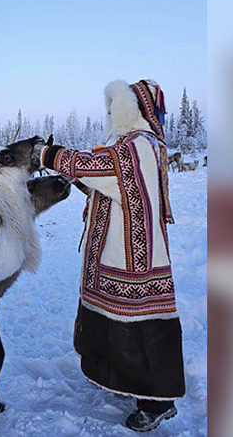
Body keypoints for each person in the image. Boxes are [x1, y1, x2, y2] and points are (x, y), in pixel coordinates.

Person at [39, 80, 184, 432]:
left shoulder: (136, 146)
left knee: (139, 324)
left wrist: (47, 155)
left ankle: (158, 402)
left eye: (113, 105)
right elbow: (102, 179)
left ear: (130, 110)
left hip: (130, 256)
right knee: (123, 321)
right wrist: (78, 176)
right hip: (123, 251)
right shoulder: (142, 145)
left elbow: (101, 167)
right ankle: (129, 383)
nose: (107, 112)